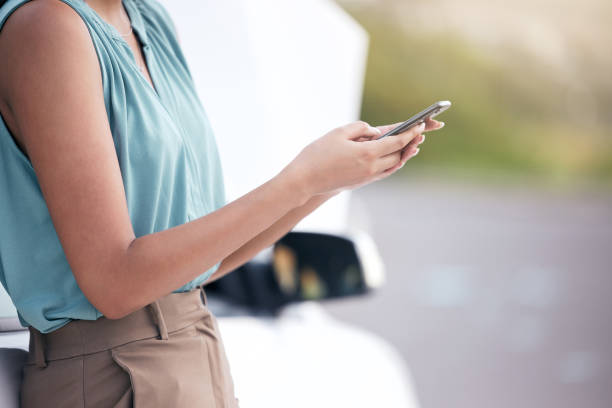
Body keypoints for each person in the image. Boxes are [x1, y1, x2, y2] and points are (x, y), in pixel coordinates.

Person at [0, 0, 444, 406]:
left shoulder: (146, 18)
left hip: (196, 352)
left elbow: (198, 266)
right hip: (113, 375)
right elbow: (115, 284)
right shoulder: (46, 28)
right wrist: (301, 178)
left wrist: (325, 183)